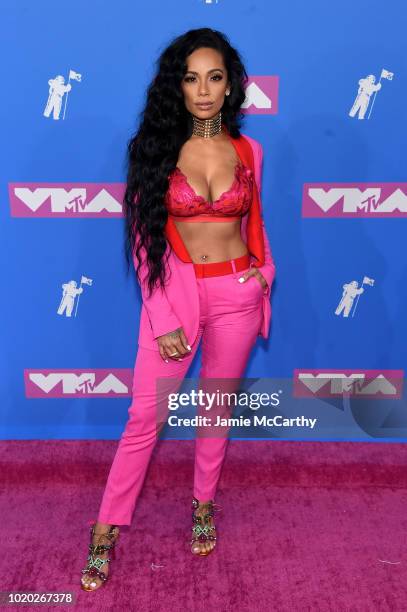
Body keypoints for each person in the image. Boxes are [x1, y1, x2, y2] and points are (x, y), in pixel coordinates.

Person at [80, 27, 276, 592]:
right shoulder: (154, 147)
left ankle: (203, 505)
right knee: (145, 419)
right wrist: (163, 317)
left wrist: (265, 273)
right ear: (177, 86)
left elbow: (255, 223)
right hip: (176, 297)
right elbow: (145, 243)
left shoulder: (248, 151)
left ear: (231, 84)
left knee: (215, 410)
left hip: (237, 294)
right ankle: (105, 531)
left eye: (215, 77)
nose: (205, 90)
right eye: (192, 78)